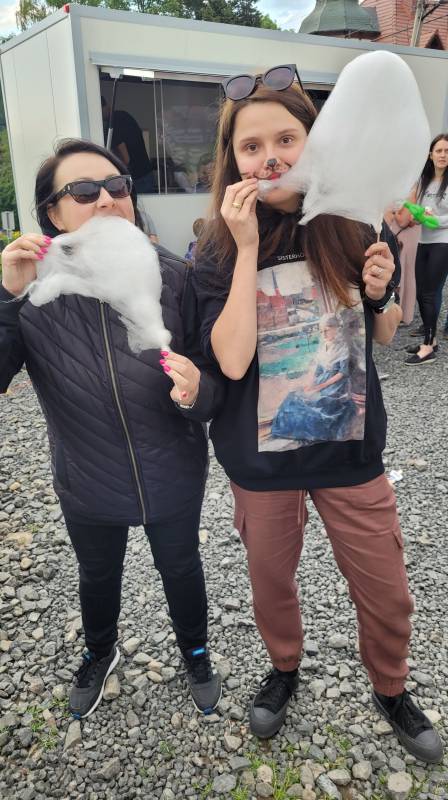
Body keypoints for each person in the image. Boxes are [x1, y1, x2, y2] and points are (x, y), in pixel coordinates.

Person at [193, 68, 443, 763]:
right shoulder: (215, 244)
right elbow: (231, 361)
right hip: (260, 459)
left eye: (286, 139)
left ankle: (390, 686)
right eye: (251, 147)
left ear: (316, 140)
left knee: (387, 589)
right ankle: (284, 667)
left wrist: (382, 292)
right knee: (272, 583)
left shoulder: (353, 220)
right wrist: (246, 248)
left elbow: (385, 333)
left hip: (349, 448)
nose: (269, 158)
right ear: (231, 160)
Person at [0, 138, 225, 720]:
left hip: (171, 469)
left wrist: (197, 393)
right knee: (97, 574)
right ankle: (99, 652)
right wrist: (5, 297)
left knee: (181, 569)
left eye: (116, 186)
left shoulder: (175, 277)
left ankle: (196, 652)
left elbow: (216, 380)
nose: (105, 199)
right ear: (53, 213)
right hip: (87, 474)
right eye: (82, 191)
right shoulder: (33, 289)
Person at [399, 134, 448, 364]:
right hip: (424, 241)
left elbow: (439, 218)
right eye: (439, 151)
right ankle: (432, 339)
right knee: (422, 292)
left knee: (430, 293)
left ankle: (428, 347)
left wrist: (436, 220)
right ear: (430, 155)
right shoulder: (424, 181)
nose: (443, 155)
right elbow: (419, 211)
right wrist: (418, 217)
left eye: (447, 151)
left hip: (443, 242)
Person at [101, 96, 154, 194]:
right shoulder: (123, 116)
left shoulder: (113, 124)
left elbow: (126, 158)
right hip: (145, 172)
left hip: (137, 177)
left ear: (104, 107)